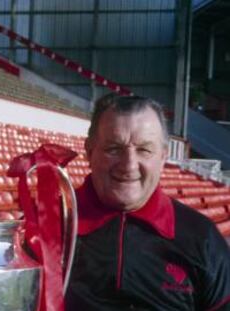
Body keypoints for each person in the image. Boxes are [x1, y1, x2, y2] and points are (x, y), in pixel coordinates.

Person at [65, 94, 230, 310]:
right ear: (89, 152)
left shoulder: (203, 238)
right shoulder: (50, 223)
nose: (129, 165)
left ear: (162, 156)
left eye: (144, 150)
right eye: (113, 148)